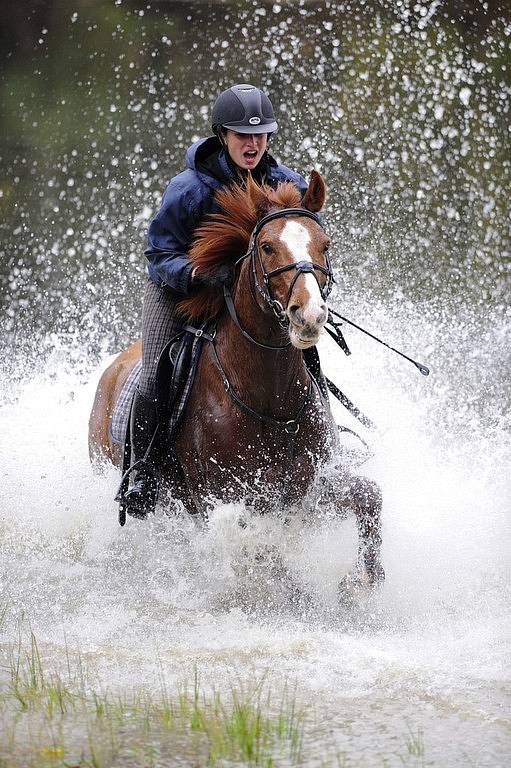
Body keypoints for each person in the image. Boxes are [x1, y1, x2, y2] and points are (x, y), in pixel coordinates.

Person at [122, 83, 309, 517]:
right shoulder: (188, 188)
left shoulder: (286, 184)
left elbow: (305, 241)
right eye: (243, 134)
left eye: (261, 135)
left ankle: (327, 448)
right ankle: (141, 471)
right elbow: (158, 253)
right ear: (221, 135)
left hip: (259, 298)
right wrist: (198, 273)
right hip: (184, 293)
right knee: (156, 374)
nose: (253, 143)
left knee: (306, 354)